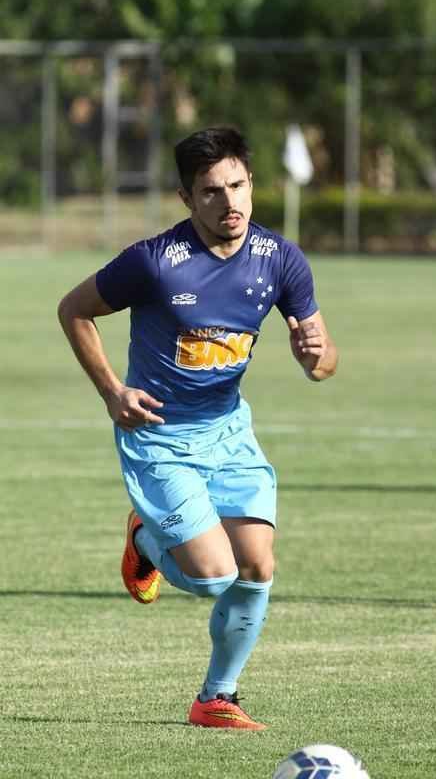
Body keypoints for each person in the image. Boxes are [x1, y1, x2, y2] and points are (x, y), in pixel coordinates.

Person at [57, 126, 338, 728]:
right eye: (211, 192)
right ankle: (145, 540)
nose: (230, 202)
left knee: (258, 565)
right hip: (159, 433)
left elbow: (324, 363)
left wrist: (313, 354)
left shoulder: (280, 258)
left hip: (229, 430)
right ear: (187, 198)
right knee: (215, 576)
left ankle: (217, 697)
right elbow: (73, 309)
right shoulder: (154, 262)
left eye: (238, 186)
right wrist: (112, 391)